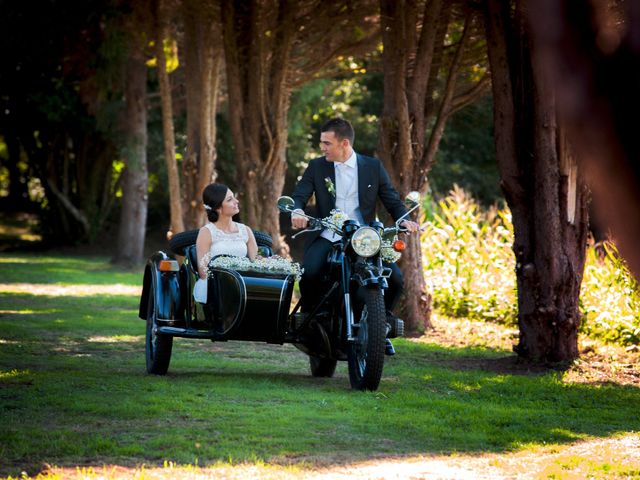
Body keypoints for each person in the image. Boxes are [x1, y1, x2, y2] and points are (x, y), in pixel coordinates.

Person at [290, 118, 419, 355]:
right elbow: (300, 194)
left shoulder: (372, 167)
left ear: (344, 143)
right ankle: (312, 320)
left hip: (365, 238)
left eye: (327, 143)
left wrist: (404, 220)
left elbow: (391, 199)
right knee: (310, 271)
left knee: (397, 279)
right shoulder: (317, 167)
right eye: (322, 143)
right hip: (329, 232)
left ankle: (381, 327)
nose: (322, 148)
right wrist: (297, 210)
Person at [193, 183, 258, 303]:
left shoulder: (246, 230)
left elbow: (256, 261)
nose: (236, 201)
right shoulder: (207, 232)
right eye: (230, 199)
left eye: (234, 197)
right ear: (218, 207)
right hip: (216, 289)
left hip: (243, 286)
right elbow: (203, 271)